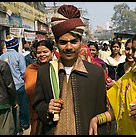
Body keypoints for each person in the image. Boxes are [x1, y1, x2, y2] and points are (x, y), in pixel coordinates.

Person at [32, 4, 108, 135]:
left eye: (73, 41)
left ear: (80, 42)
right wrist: (47, 109)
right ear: (56, 43)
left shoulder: (95, 73)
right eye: (63, 42)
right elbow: (37, 105)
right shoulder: (45, 72)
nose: (69, 47)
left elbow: (100, 113)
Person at [0, 35, 30, 134]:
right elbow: (24, 72)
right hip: (19, 86)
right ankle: (24, 124)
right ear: (16, 46)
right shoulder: (19, 56)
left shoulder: (1, 57)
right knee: (23, 106)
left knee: (11, 109)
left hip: (6, 89)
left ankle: (14, 127)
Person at [24, 39, 55, 135]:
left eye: (45, 52)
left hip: (55, 110)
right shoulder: (31, 68)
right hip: (36, 111)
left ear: (52, 51)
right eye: (38, 53)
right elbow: (29, 90)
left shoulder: (57, 67)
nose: (42, 55)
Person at [0, 41, 19, 135]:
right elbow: (10, 85)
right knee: (5, 129)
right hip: (2, 103)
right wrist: (15, 100)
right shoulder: (1, 64)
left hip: (0, 102)